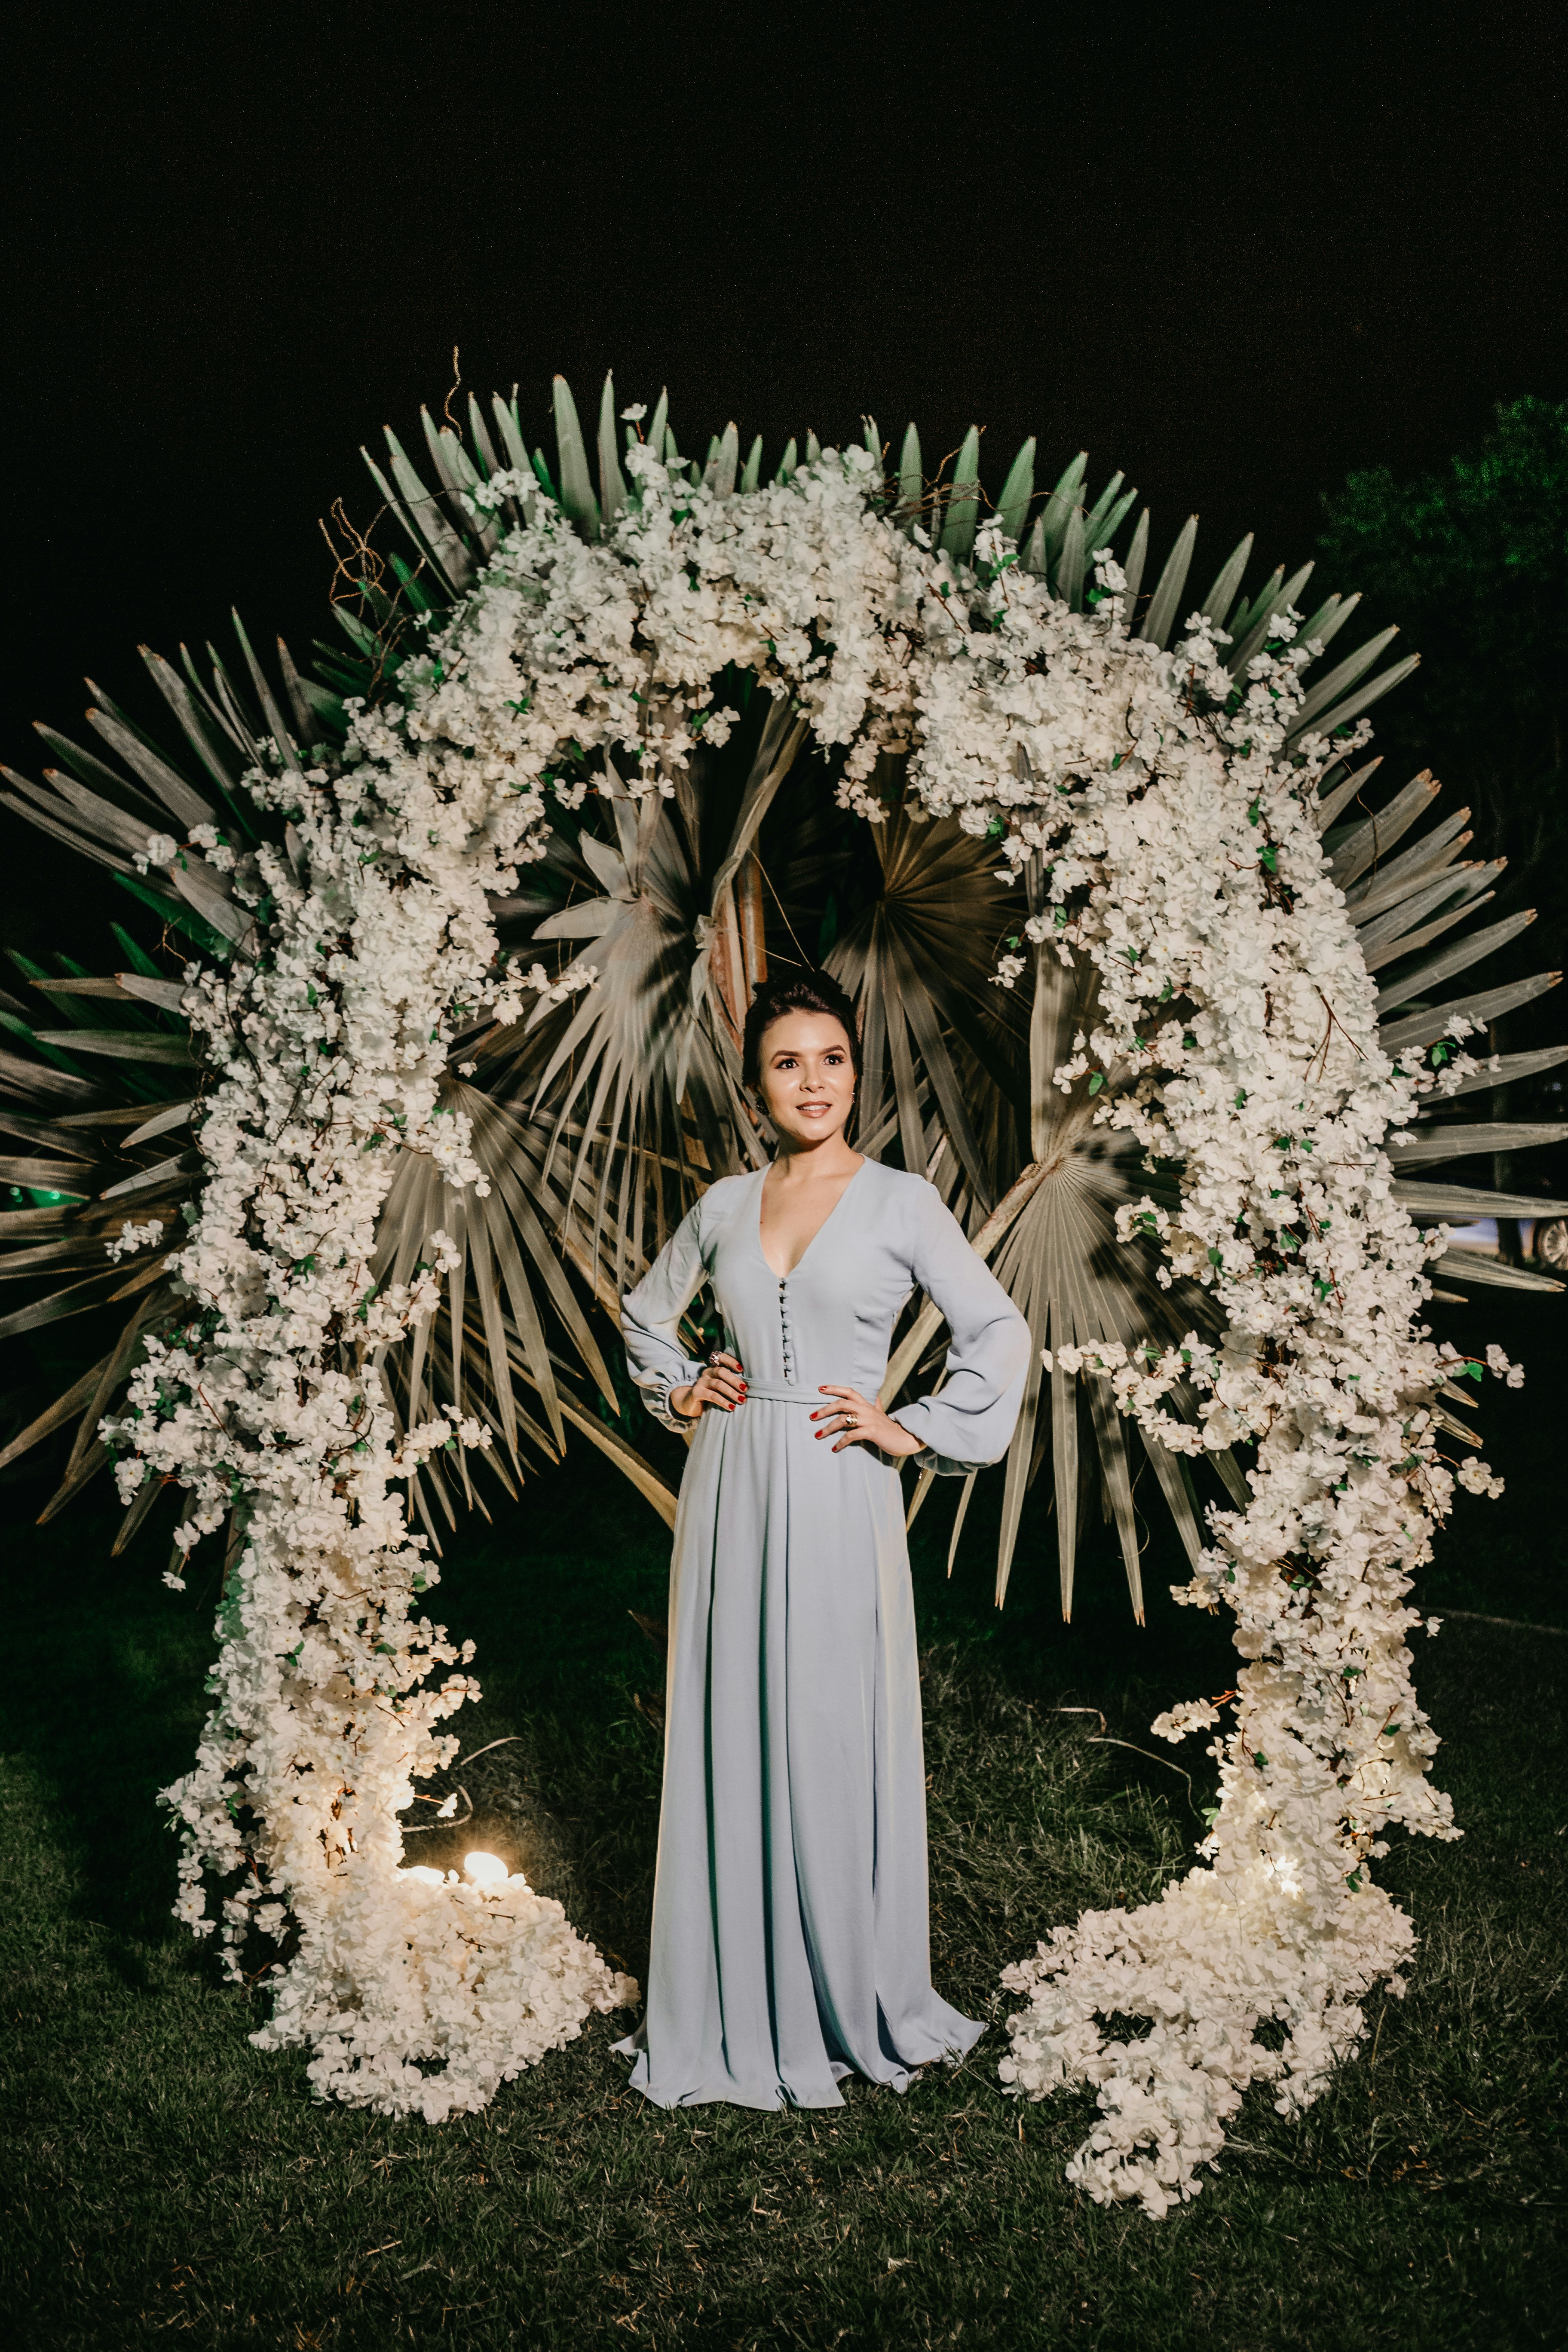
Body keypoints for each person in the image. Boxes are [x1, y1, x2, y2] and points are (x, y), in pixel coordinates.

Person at [615, 970, 1029, 2110]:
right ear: (758, 1083)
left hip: (846, 1487)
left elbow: (996, 1327)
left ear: (857, 1070)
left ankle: (851, 1985)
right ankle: (733, 1992)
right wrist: (686, 1383)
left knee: (833, 1725)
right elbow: (646, 1312)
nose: (815, 1080)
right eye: (789, 1061)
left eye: (833, 1058)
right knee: (737, 1715)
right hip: (732, 1484)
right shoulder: (723, 1206)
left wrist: (915, 1427)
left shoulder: (903, 1202)